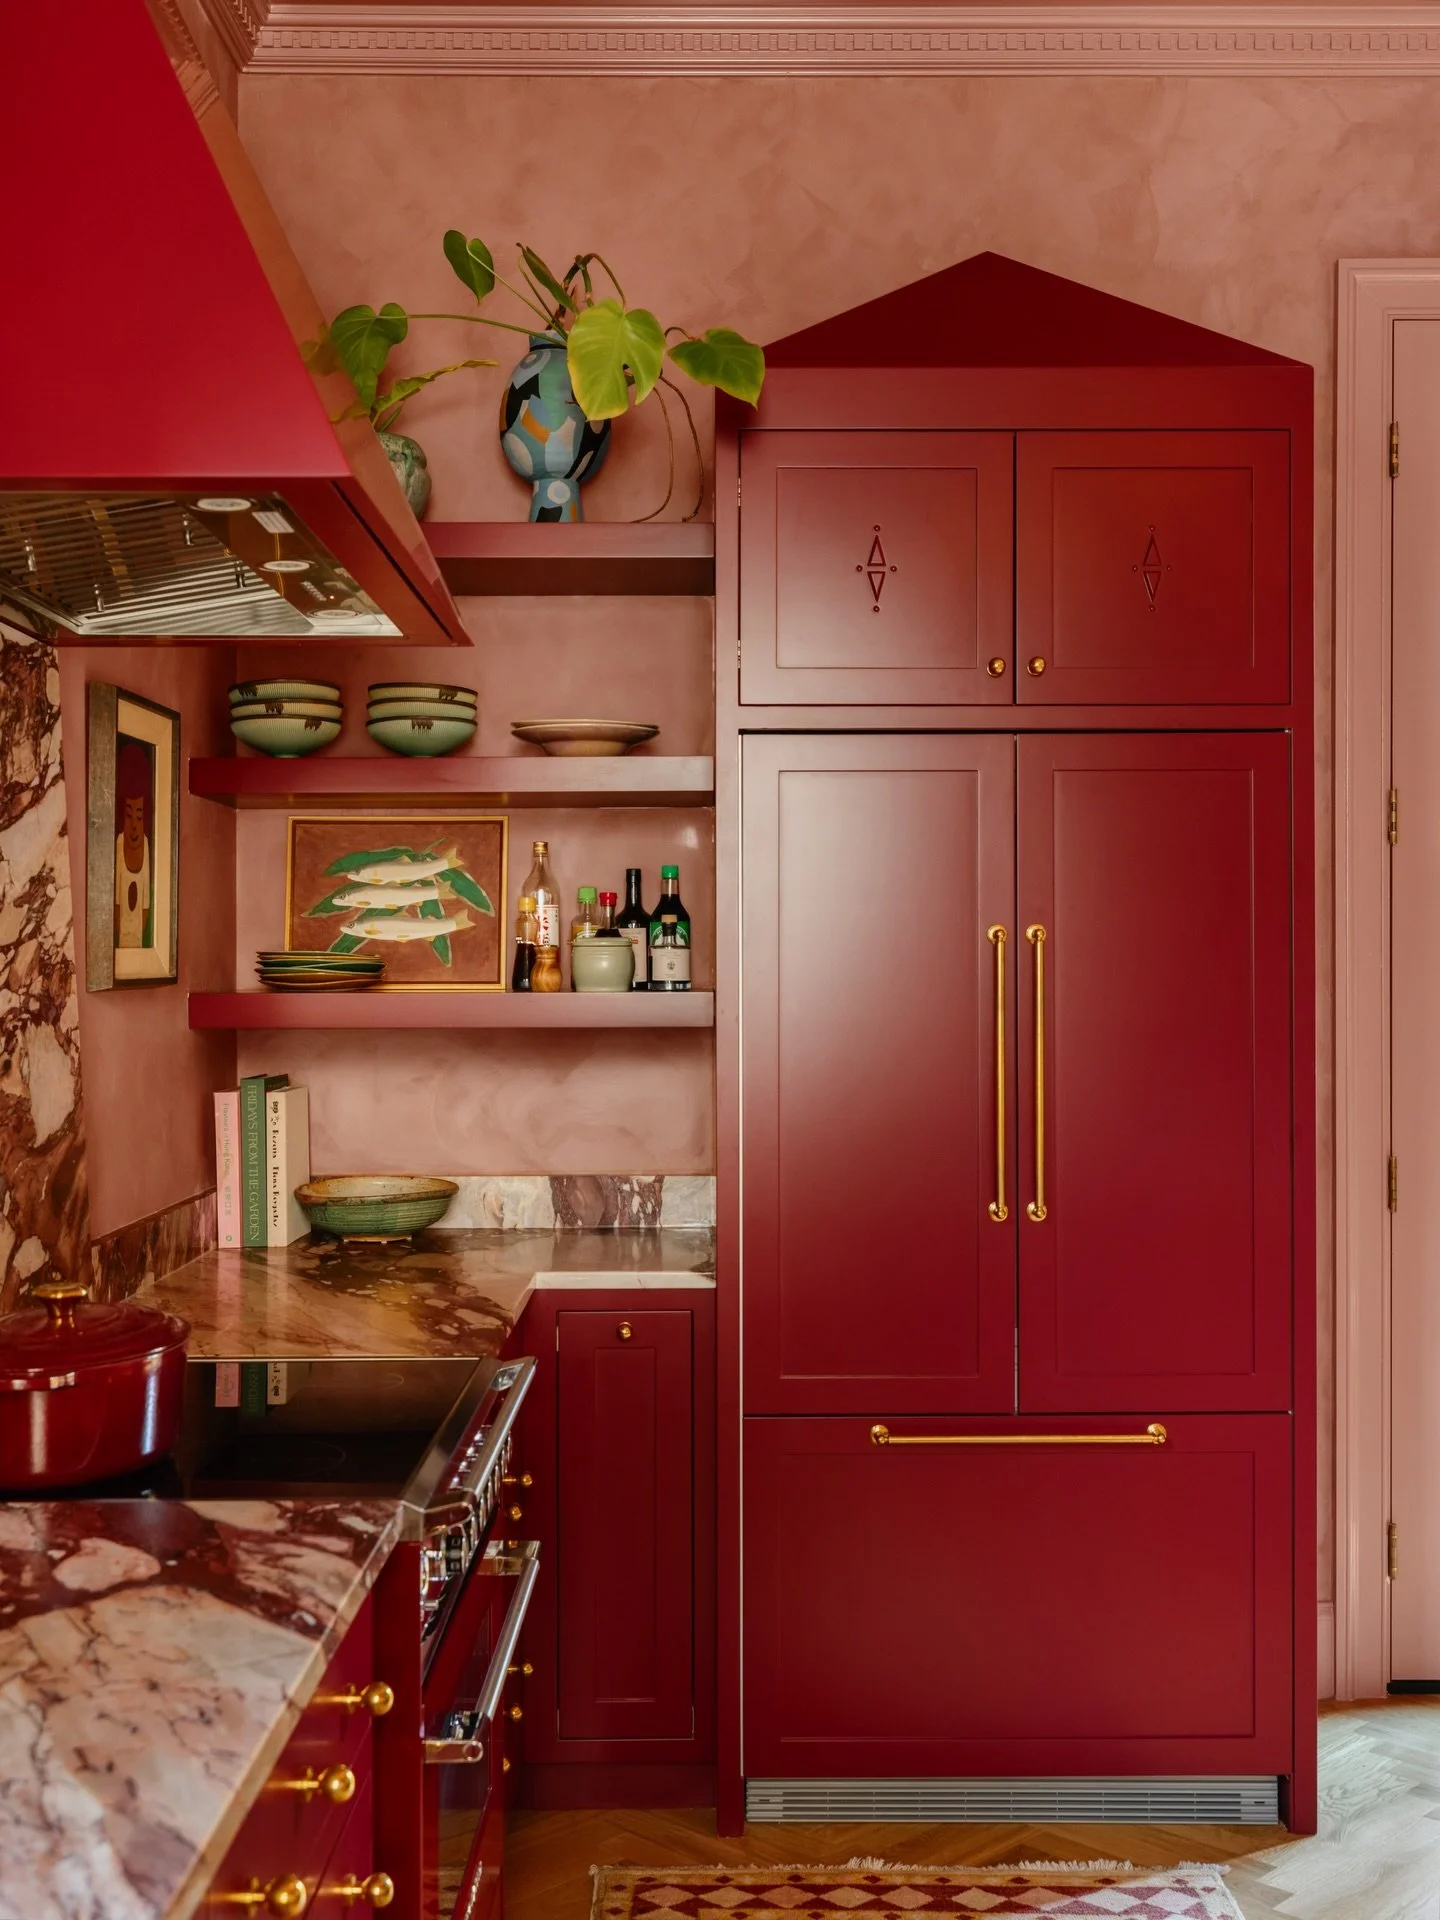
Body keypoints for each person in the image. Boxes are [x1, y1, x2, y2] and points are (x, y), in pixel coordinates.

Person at [114, 738, 152, 950]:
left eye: (139, 816)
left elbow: (145, 904)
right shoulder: (119, 845)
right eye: (129, 816)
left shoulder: (145, 847)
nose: (135, 826)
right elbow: (116, 903)